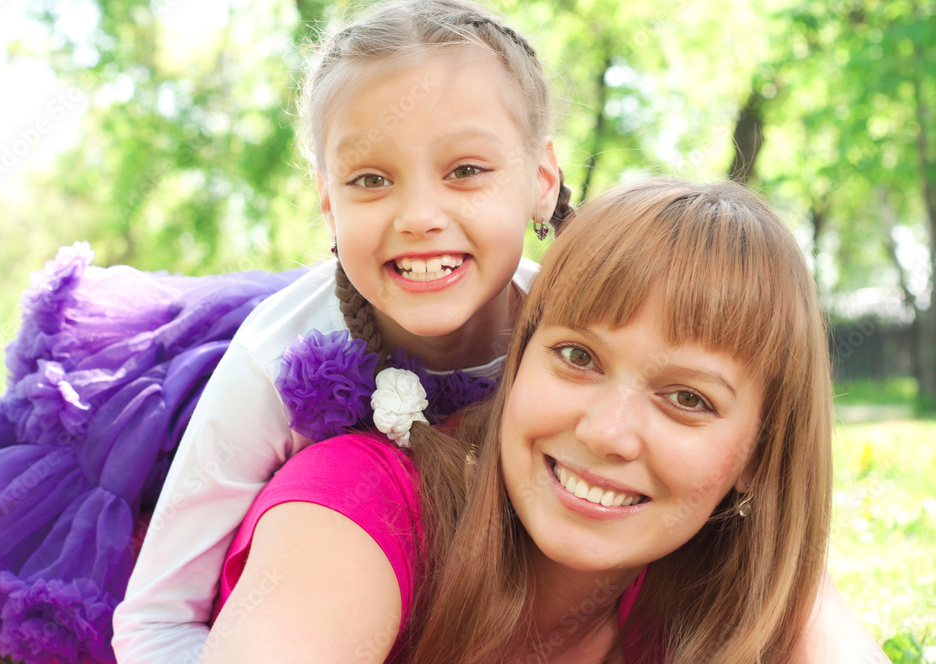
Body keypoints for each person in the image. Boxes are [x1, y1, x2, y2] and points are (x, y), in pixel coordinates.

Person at [206, 177, 890, 663]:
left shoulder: (743, 585)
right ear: (520, 355)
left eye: (688, 399)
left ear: (758, 458)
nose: (605, 432)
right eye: (576, 355)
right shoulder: (361, 505)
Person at [107, 1, 568, 662]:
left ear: (542, 181)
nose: (419, 216)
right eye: (371, 180)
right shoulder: (275, 359)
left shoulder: (575, 340)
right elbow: (155, 620)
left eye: (465, 170)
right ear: (329, 202)